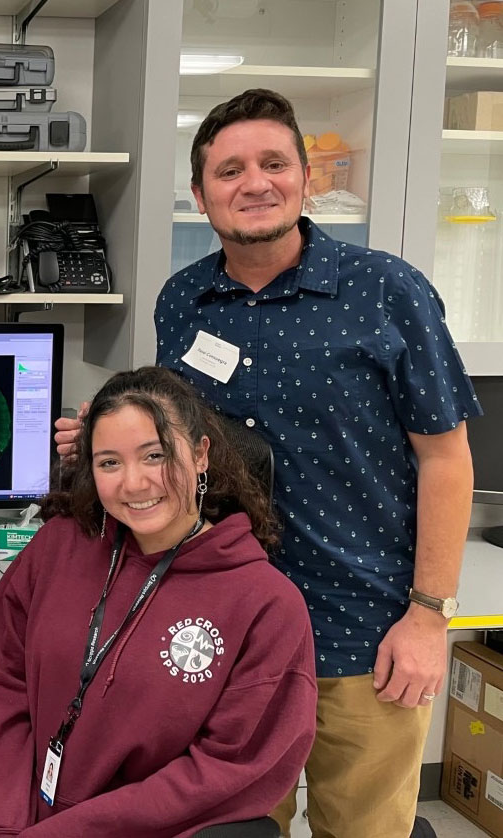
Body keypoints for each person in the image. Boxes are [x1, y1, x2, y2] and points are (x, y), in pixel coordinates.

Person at [56, 89, 481, 836]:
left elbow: (447, 459)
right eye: (228, 171)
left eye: (273, 163)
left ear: (305, 179)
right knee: (233, 828)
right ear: (200, 194)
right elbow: (182, 436)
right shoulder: (184, 299)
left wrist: (427, 617)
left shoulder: (386, 291)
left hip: (360, 633)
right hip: (221, 632)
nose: (253, 183)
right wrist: (114, 436)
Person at [0, 366, 316, 838]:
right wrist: (3, 823)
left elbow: (227, 772)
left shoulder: (266, 606)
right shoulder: (58, 547)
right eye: (109, 462)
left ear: (201, 454)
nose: (133, 483)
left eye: (155, 456)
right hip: (14, 809)